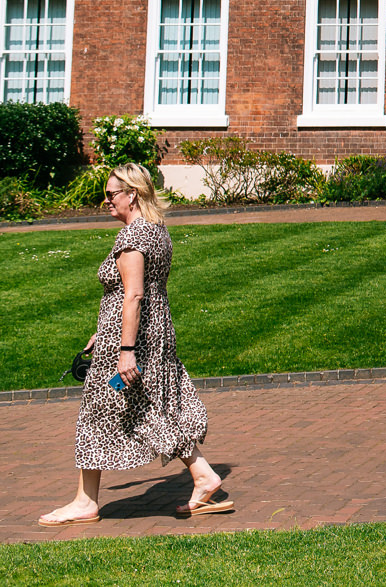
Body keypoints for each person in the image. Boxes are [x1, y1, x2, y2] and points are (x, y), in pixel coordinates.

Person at [40, 163, 228, 527]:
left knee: (99, 414)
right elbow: (139, 294)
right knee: (155, 406)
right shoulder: (157, 232)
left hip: (130, 344)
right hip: (153, 335)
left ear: (133, 195)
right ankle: (203, 475)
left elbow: (134, 295)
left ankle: (85, 502)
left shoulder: (132, 238)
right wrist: (103, 330)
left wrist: (124, 350)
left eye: (111, 194)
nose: (106, 201)